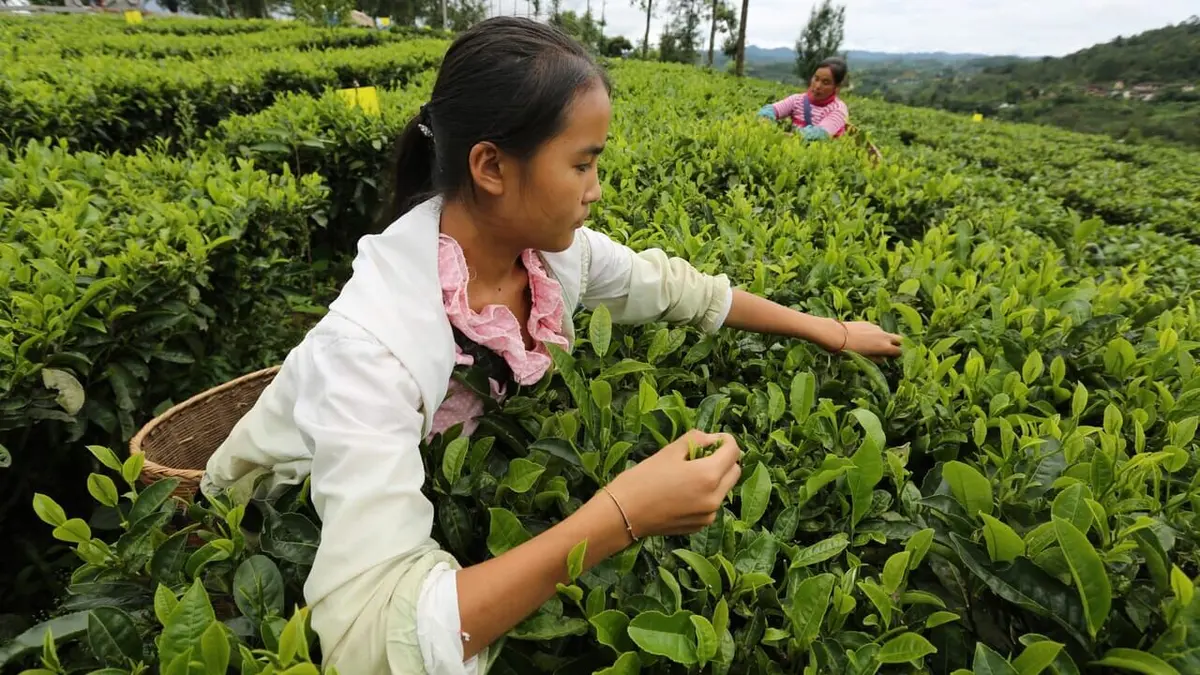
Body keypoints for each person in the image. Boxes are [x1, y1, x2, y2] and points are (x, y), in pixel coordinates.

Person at [200, 17, 902, 675]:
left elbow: (682, 290)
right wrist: (623, 514)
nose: (596, 190)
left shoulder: (548, 256)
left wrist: (833, 333)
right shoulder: (374, 343)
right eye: (582, 164)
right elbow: (371, 635)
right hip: (263, 528)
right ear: (491, 166)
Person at [757, 57, 851, 141]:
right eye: (816, 79)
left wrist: (785, 136)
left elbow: (821, 134)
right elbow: (770, 110)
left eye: (825, 82)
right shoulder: (797, 100)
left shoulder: (839, 110)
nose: (817, 86)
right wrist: (765, 121)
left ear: (837, 87)